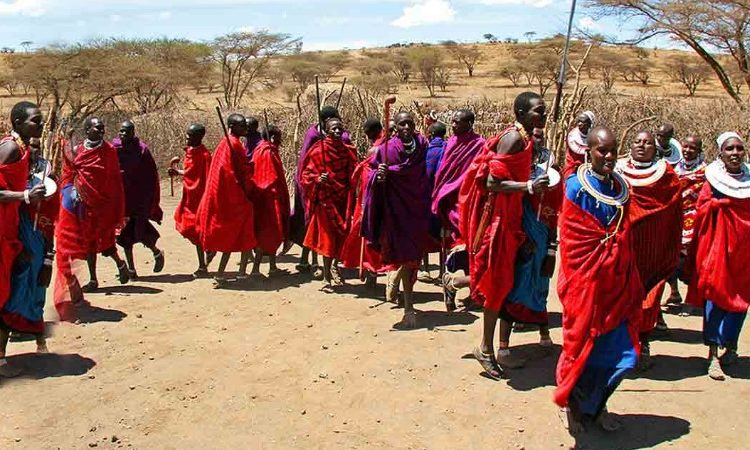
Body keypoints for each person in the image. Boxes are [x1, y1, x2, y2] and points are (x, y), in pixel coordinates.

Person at [555, 127, 644, 434]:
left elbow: (625, 232)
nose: (608, 156)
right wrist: (602, 252)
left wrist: (617, 255)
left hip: (617, 282)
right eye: (601, 151)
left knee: (621, 351)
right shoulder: (575, 187)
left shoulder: (621, 186)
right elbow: (573, 240)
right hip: (586, 281)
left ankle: (597, 403)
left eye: (612, 151)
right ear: (588, 152)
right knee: (582, 345)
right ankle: (571, 405)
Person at [459, 92, 549, 379]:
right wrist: (529, 186)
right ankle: (486, 349)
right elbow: (492, 182)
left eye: (544, 111)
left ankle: (496, 348)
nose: (543, 116)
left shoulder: (526, 138)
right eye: (538, 111)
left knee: (506, 284)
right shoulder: (513, 139)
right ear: (521, 113)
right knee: (497, 284)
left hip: (512, 218)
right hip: (498, 221)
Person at [685, 132, 750, 381]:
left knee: (741, 299)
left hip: (744, 251)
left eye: (739, 148)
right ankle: (712, 354)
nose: (735, 153)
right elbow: (701, 208)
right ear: (720, 153)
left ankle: (730, 346)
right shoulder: (712, 181)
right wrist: (716, 206)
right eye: (729, 149)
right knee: (715, 297)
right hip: (718, 248)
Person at [497, 128, 563, 368]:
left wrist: (552, 249)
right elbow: (508, 208)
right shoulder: (516, 175)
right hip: (520, 241)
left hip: (542, 242)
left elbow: (553, 214)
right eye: (532, 137)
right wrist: (522, 240)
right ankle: (503, 348)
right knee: (514, 288)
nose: (537, 140)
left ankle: (544, 336)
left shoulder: (552, 175)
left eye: (540, 137)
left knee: (540, 285)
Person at [616, 131, 682, 370]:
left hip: (653, 249)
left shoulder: (667, 175)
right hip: (623, 248)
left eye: (648, 143)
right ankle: (621, 347)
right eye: (637, 141)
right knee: (620, 296)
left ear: (656, 149)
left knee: (648, 297)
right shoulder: (617, 171)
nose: (642, 145)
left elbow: (673, 211)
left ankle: (643, 343)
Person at [54, 117, 129, 320]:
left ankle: (120, 263)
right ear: (87, 130)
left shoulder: (108, 151)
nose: (101, 131)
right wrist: (70, 192)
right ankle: (93, 279)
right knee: (87, 243)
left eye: (103, 128)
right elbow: (69, 170)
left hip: (100, 204)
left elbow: (112, 179)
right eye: (97, 128)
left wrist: (108, 202)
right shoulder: (78, 150)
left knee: (104, 241)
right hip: (80, 205)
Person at [362, 112, 430, 328]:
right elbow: (371, 175)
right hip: (396, 212)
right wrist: (380, 175)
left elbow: (424, 172)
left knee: (413, 257)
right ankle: (409, 308)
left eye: (410, 123)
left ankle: (403, 293)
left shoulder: (422, 145)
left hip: (416, 209)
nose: (407, 127)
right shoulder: (387, 149)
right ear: (395, 129)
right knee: (405, 256)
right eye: (402, 124)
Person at [0, 101, 50, 377]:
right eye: (35, 121)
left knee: (10, 287)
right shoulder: (9, 149)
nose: (41, 125)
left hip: (10, 226)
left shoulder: (22, 149)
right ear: (18, 122)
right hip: (2, 228)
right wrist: (26, 196)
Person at [432, 110, 486, 310]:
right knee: (453, 248)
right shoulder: (450, 144)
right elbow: (443, 173)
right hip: (451, 205)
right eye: (452, 121)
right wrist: (441, 195)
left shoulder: (480, 145)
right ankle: (451, 290)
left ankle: (473, 292)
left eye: (458, 122)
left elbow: (480, 173)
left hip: (471, 205)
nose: (453, 125)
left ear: (470, 123)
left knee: (474, 248)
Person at [196, 113, 256, 287]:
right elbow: (232, 173)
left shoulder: (227, 143)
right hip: (232, 197)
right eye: (241, 125)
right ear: (231, 127)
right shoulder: (233, 144)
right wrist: (249, 175)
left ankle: (238, 272)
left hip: (226, 195)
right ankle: (228, 273)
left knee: (241, 232)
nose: (244, 128)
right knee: (238, 232)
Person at [290, 106, 350, 275]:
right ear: (325, 123)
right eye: (334, 124)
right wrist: (314, 180)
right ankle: (308, 260)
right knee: (312, 223)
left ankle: (327, 264)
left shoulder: (342, 142)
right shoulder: (314, 136)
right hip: (313, 186)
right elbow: (306, 163)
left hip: (336, 190)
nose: (338, 130)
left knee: (327, 228)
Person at [300, 117, 357, 288]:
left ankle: (334, 268)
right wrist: (318, 179)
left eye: (340, 128)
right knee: (327, 240)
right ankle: (326, 276)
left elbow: (353, 174)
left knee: (340, 237)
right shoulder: (318, 151)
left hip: (342, 200)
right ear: (326, 131)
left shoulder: (347, 151)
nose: (338, 131)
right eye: (334, 129)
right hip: (325, 201)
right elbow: (306, 176)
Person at [112, 120, 164, 279]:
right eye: (121, 131)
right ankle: (131, 269)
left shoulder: (142, 150)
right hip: (122, 199)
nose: (123, 134)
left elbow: (151, 176)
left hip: (139, 199)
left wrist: (150, 200)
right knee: (124, 236)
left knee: (140, 233)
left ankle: (156, 252)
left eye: (126, 131)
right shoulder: (114, 148)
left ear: (133, 133)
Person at [339, 118, 387, 285]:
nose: (366, 136)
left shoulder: (376, 149)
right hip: (379, 199)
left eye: (367, 133)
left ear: (373, 132)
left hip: (372, 199)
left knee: (369, 234)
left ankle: (372, 272)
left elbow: (369, 177)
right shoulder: (387, 144)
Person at [667, 134, 706, 305]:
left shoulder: (706, 172)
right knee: (669, 257)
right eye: (686, 146)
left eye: (693, 148)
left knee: (692, 259)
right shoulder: (673, 168)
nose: (688, 150)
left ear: (699, 151)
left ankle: (696, 296)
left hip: (696, 220)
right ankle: (674, 292)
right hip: (675, 217)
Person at [170, 123, 213, 278]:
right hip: (189, 198)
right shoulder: (190, 153)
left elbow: (209, 179)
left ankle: (202, 266)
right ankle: (208, 252)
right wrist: (178, 172)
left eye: (191, 135)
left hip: (200, 200)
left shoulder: (205, 156)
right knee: (187, 228)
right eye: (187, 134)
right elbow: (190, 172)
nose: (187, 137)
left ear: (199, 137)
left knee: (197, 232)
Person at [250, 125, 290, 276]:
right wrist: (277, 195)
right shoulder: (267, 152)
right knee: (267, 233)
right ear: (273, 138)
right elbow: (269, 177)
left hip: (265, 197)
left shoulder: (261, 149)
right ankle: (255, 269)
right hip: (268, 199)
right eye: (279, 138)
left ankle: (273, 267)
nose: (280, 141)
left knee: (274, 232)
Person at [419, 121, 447, 282]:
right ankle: (443, 271)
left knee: (425, 233)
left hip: (427, 199)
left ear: (430, 135)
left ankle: (426, 269)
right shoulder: (450, 149)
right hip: (445, 199)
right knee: (443, 235)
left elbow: (426, 174)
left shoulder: (428, 151)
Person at [564, 111, 595, 179]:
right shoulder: (572, 137)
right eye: (579, 121)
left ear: (589, 124)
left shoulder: (594, 139)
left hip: (588, 171)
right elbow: (569, 157)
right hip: (572, 171)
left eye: (583, 122)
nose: (579, 124)